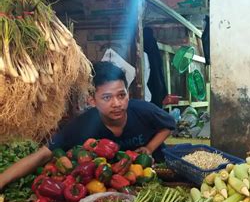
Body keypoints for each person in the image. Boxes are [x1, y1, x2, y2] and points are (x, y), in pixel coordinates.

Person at [0, 61, 176, 190]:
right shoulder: (82, 125)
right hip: (112, 186)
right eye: (107, 97)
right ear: (92, 100)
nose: (117, 103)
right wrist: (2, 179)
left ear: (128, 94)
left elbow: (169, 123)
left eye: (121, 95)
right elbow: (41, 155)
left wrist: (149, 148)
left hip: (158, 177)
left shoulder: (143, 110)